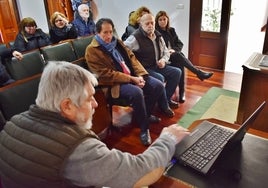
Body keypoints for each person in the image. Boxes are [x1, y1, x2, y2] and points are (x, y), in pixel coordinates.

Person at [0, 60, 190, 187]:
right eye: (90, 98)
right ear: (67, 106)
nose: (96, 104)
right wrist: (168, 139)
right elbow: (139, 172)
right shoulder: (76, 148)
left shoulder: (12, 124)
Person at [85, 18, 176, 146]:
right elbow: (105, 75)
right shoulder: (92, 50)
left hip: (133, 75)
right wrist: (132, 79)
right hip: (114, 84)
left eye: (111, 32)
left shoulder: (117, 42)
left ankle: (145, 115)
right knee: (137, 92)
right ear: (97, 33)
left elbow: (132, 58)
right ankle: (144, 128)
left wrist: (140, 75)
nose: (109, 36)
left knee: (158, 86)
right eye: (105, 33)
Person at [124, 13, 181, 110]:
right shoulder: (135, 37)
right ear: (141, 25)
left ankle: (165, 101)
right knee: (160, 78)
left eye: (152, 23)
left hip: (157, 66)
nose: (150, 26)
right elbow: (123, 49)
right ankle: (164, 105)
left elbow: (166, 52)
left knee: (177, 72)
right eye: (147, 23)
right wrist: (133, 67)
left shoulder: (158, 35)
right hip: (145, 69)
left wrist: (163, 60)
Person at [155, 10, 213, 103]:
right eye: (160, 20)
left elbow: (179, 43)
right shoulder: (156, 33)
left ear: (167, 20)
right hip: (163, 58)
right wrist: (168, 52)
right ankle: (198, 73)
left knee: (180, 62)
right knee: (179, 57)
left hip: (173, 55)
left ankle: (182, 92)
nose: (162, 21)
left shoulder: (171, 30)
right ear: (157, 21)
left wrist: (173, 50)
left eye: (164, 19)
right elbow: (158, 49)